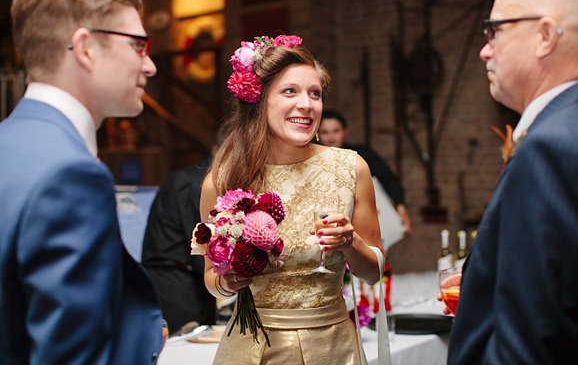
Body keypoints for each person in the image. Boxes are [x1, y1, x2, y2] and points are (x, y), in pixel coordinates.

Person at [0, 0, 164, 364]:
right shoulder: (70, 174)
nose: (150, 66)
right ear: (86, 48)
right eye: (138, 46)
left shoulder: (9, 143)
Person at [446, 0, 578, 364]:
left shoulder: (552, 148)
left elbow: (532, 345)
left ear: (545, 36)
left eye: (494, 30)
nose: (485, 49)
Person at [200, 35, 385, 364]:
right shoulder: (223, 179)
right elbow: (211, 279)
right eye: (290, 91)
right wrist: (226, 282)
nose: (307, 104)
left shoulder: (351, 168)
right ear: (260, 101)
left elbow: (373, 273)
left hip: (332, 347)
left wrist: (350, 243)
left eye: (315, 93)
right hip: (252, 348)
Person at [142, 126, 228, 333]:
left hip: (181, 276)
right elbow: (201, 245)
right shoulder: (201, 182)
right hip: (174, 282)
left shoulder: (195, 177)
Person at [319, 109, 413, 235]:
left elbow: (388, 179)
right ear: (317, 134)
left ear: (345, 131)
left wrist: (401, 208)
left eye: (336, 131)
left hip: (364, 222)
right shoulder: (313, 160)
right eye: (325, 132)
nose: (331, 137)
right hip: (327, 222)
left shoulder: (361, 155)